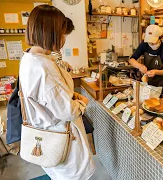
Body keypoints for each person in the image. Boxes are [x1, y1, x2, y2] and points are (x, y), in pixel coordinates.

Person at [20, 5, 95, 180]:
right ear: (51, 33)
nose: (64, 40)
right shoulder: (44, 68)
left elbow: (49, 96)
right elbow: (68, 111)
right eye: (63, 34)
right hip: (62, 138)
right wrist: (82, 102)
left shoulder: (29, 57)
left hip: (47, 133)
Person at [129, 25, 163, 95]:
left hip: (161, 83)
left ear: (160, 38)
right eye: (149, 41)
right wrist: (140, 66)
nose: (150, 43)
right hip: (147, 81)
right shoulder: (144, 45)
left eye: (153, 42)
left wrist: (155, 72)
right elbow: (131, 59)